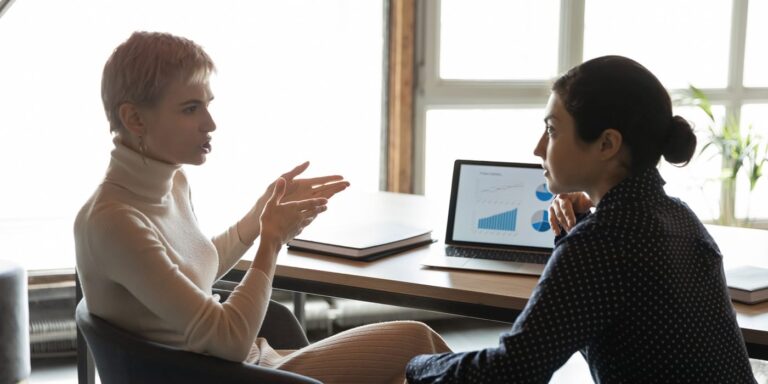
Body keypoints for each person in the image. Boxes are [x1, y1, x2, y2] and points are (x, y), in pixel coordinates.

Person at [75, 31, 450, 384]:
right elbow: (228, 339)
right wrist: (271, 242)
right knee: (417, 341)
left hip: (251, 361)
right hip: (229, 373)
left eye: (207, 105)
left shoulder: (172, 183)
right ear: (134, 118)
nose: (211, 123)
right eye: (191, 109)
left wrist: (256, 219)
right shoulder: (114, 222)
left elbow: (190, 272)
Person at [406, 55, 756, 383]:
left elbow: (513, 371)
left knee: (408, 349)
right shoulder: (680, 218)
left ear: (607, 144)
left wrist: (414, 367)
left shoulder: (602, 242)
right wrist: (577, 227)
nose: (538, 148)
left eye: (553, 130)